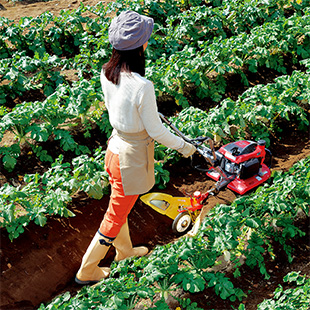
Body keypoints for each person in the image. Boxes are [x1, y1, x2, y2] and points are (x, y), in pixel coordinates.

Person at [75, 10, 196, 285]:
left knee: (120, 208)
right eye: (146, 40)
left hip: (114, 149)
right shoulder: (142, 86)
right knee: (115, 215)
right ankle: (88, 269)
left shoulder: (107, 73)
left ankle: (125, 251)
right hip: (129, 159)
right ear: (140, 47)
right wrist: (186, 148)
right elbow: (156, 131)